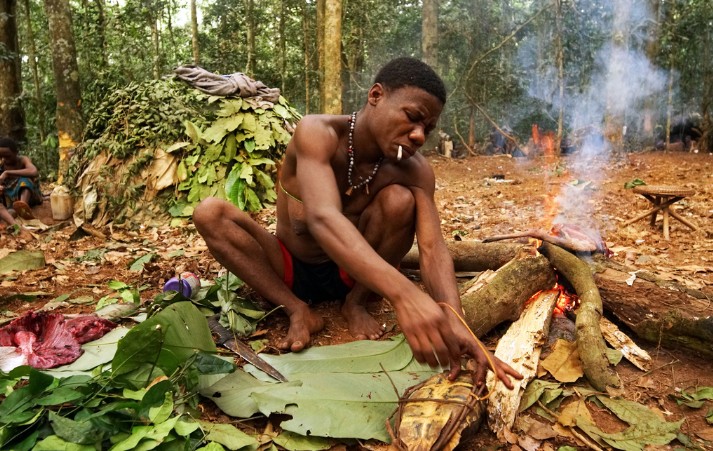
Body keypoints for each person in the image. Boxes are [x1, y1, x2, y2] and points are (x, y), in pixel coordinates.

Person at [193, 57, 522, 387]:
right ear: (376, 95)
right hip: (288, 267)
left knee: (400, 201)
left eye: (429, 129)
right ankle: (297, 310)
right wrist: (405, 294)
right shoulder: (317, 133)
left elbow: (433, 248)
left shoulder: (415, 170)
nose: (420, 135)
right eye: (413, 118)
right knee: (210, 213)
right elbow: (323, 217)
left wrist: (456, 320)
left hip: (352, 276)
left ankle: (355, 304)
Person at [0, 137, 42, 226]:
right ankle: (13, 211)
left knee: (25, 180)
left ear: (16, 152)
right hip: (9, 200)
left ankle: (22, 208)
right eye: (2, 156)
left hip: (29, 196)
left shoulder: (23, 160)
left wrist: (7, 173)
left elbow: (33, 171)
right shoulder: (1, 164)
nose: (5, 159)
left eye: (8, 156)